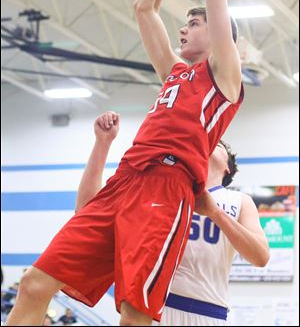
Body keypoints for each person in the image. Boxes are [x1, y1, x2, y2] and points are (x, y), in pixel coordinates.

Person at [6, 0, 244, 327]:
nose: (185, 28)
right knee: (35, 284)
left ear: (220, 36)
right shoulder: (176, 73)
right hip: (125, 180)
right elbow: (143, 8)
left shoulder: (223, 79)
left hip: (166, 187)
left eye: (196, 22)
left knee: (134, 314)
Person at [76, 112, 269, 326]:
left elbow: (261, 257)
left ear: (228, 168)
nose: (209, 141)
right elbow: (86, 212)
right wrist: (103, 143)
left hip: (208, 311)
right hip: (151, 308)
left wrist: (216, 213)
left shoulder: (239, 200)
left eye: (218, 143)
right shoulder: (157, 190)